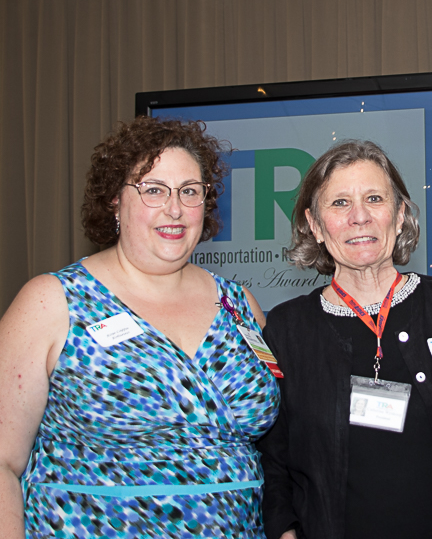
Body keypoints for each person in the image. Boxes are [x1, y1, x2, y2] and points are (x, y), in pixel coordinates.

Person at [0, 117, 280, 537]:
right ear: (115, 200)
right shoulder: (52, 303)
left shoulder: (240, 305)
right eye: (153, 190)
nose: (175, 208)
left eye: (190, 191)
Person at [257, 140, 432, 539]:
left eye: (374, 198)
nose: (360, 217)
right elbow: (271, 457)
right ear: (315, 225)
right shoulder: (288, 330)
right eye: (339, 203)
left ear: (400, 213)